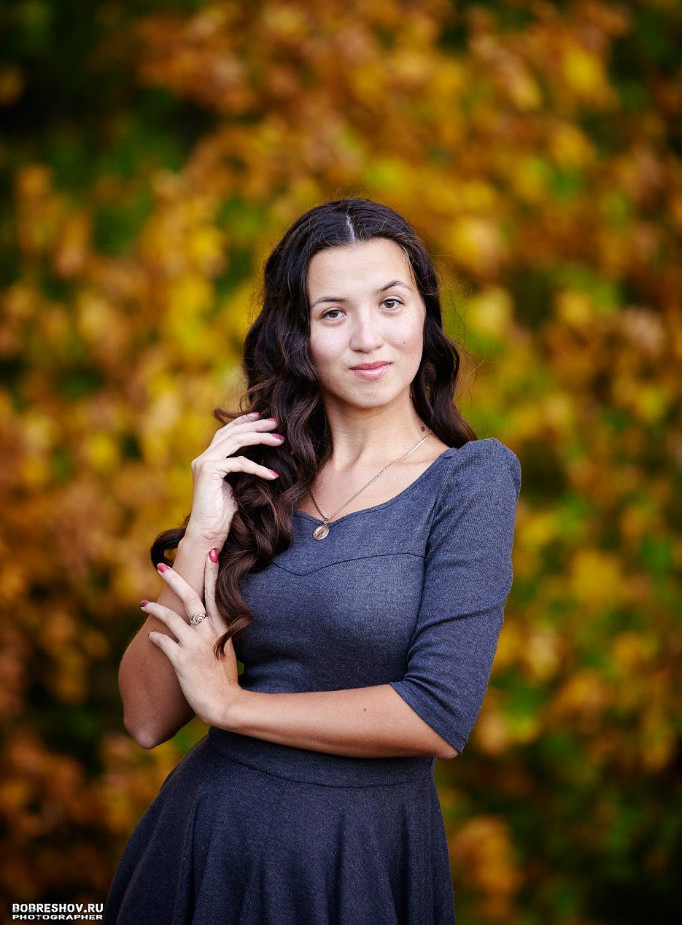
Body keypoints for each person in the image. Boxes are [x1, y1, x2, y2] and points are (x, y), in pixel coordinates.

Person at [103, 197, 521, 925]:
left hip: (357, 861)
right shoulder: (264, 477)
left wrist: (232, 706)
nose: (368, 338)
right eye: (333, 313)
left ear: (423, 312)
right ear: (300, 335)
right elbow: (145, 717)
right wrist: (203, 531)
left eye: (390, 302)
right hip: (204, 848)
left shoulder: (470, 481)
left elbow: (439, 713)